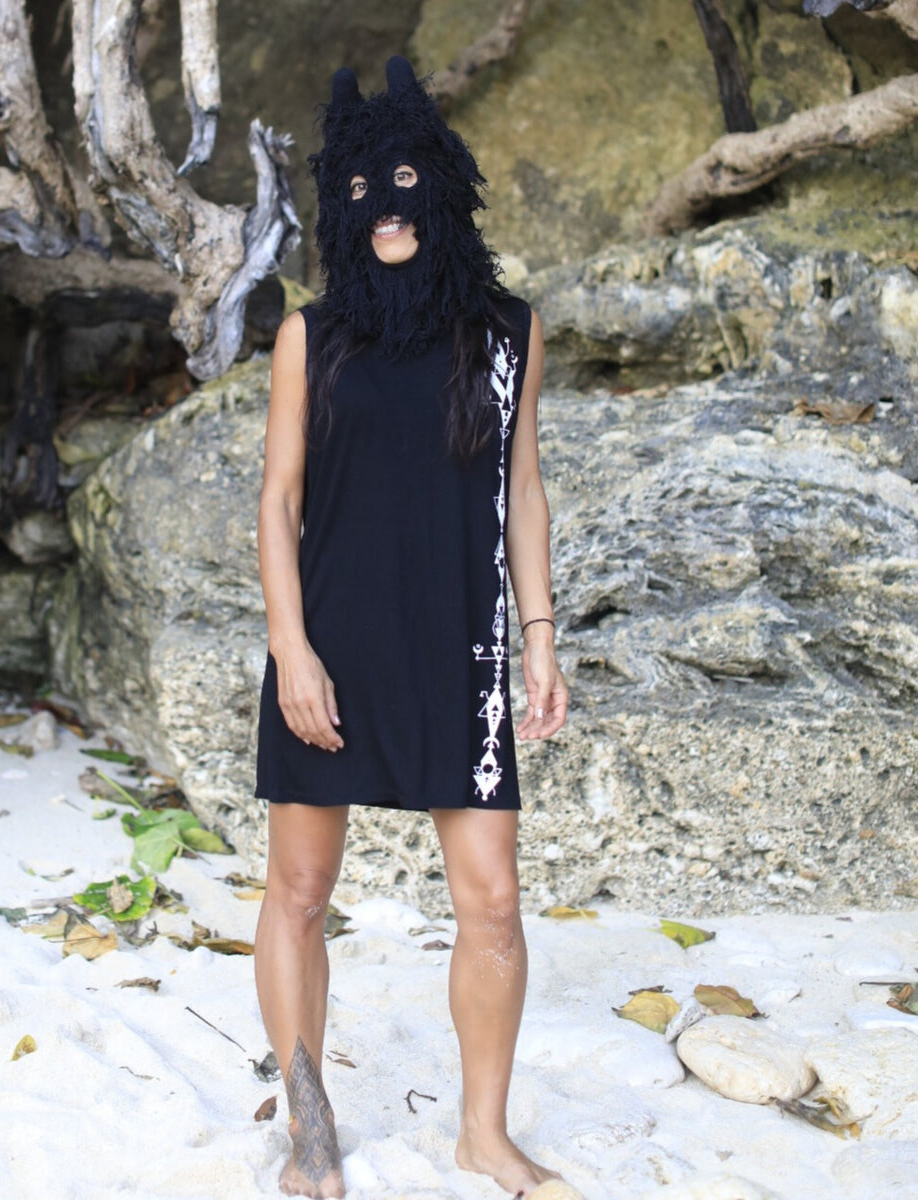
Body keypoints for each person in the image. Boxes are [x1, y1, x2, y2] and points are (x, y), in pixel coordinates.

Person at [254, 55, 572, 1200]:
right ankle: (309, 1131)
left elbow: (522, 490)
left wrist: (540, 634)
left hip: (461, 647)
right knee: (298, 891)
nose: (384, 209)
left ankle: (483, 1136)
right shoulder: (313, 336)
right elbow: (280, 500)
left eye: (404, 180)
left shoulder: (507, 334)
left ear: (439, 185)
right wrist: (292, 647)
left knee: (491, 901)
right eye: (358, 188)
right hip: (331, 643)